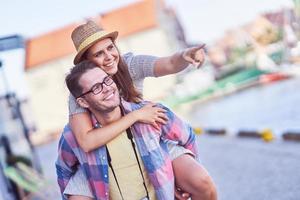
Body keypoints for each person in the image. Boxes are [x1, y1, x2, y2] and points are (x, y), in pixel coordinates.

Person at [67, 20, 215, 200]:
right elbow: (86, 141)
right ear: (87, 62)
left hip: (149, 140)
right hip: (104, 153)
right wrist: (136, 116)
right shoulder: (82, 91)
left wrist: (185, 55)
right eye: (99, 54)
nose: (109, 56)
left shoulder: (129, 66)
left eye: (110, 48)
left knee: (201, 182)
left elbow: (168, 63)